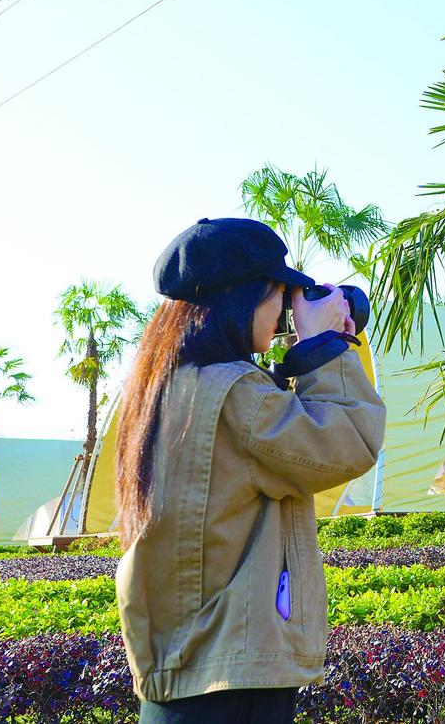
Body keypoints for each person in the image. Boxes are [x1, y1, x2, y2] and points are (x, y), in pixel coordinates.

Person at [114, 218, 387, 724]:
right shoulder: (235, 392)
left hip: (182, 676)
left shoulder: (166, 388)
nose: (284, 310)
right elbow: (350, 439)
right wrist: (326, 344)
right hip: (229, 683)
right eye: (280, 293)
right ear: (244, 296)